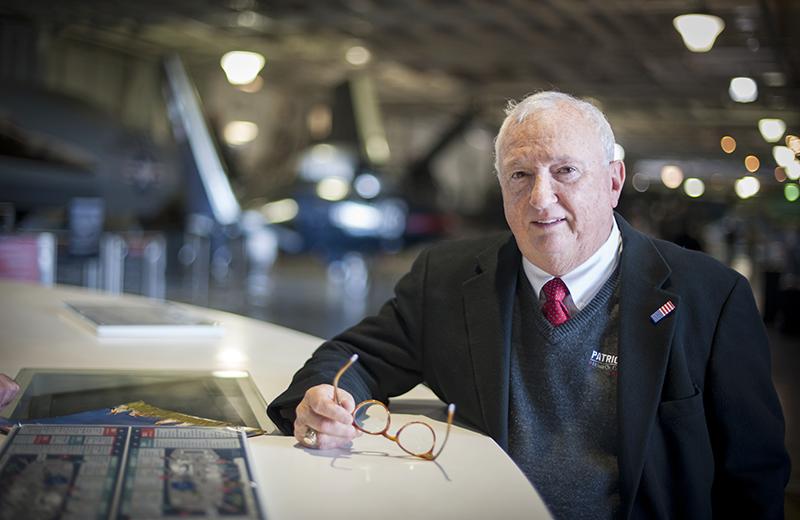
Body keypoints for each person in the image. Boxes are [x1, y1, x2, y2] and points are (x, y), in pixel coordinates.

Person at [268, 91, 789, 519]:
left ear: (612, 181)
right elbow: (349, 360)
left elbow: (753, 480)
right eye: (520, 175)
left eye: (565, 171)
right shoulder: (448, 281)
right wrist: (323, 399)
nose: (540, 198)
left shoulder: (710, 298)